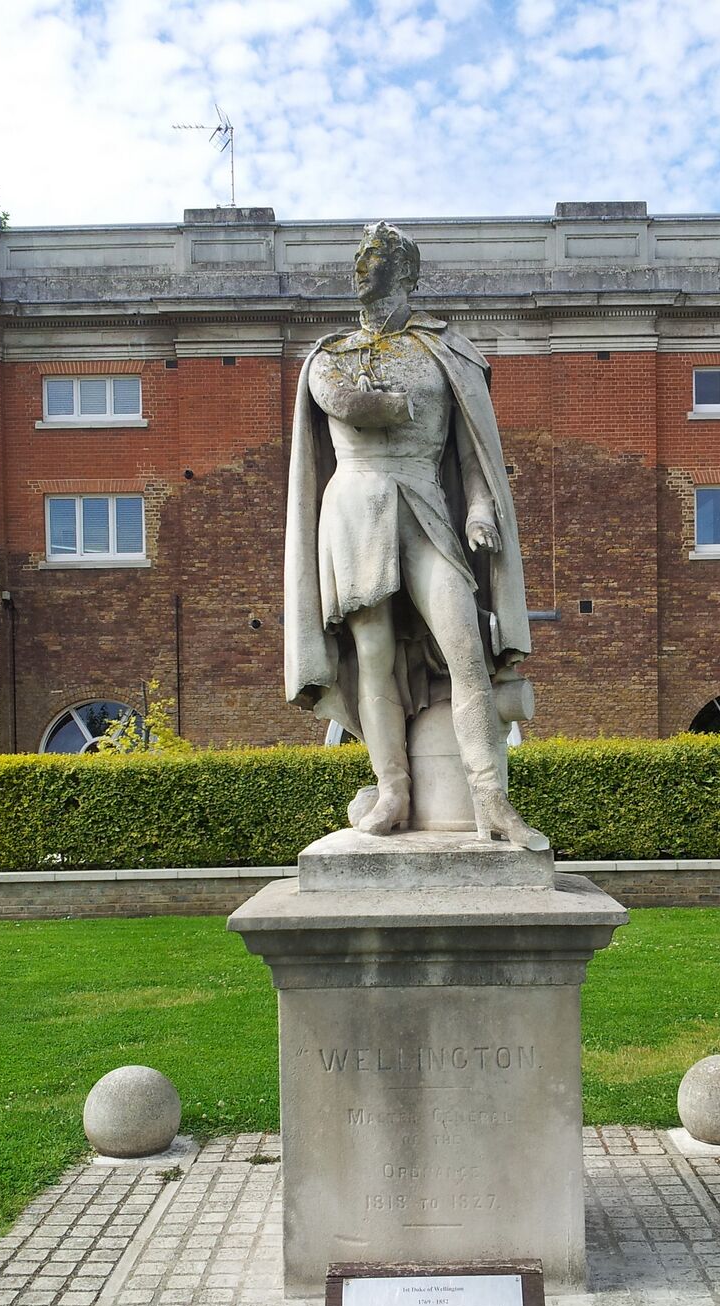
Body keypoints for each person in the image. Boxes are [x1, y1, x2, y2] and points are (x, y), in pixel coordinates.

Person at [284, 221, 547, 850]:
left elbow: (471, 457)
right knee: (371, 653)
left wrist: (481, 507)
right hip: (354, 505)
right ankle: (393, 789)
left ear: (404, 269)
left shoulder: (445, 352)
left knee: (466, 651)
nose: (360, 265)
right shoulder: (329, 355)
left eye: (373, 254)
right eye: (358, 254)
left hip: (424, 500)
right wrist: (383, 403)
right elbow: (344, 403)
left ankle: (493, 801)